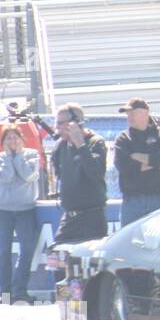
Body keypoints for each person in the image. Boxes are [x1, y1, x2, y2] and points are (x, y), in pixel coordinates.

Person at [0, 124, 40, 304]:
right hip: (2, 210)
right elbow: (7, 177)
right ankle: (4, 293)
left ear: (21, 138)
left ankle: (20, 290)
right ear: (3, 142)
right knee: (4, 252)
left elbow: (28, 175)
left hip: (25, 210)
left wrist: (18, 155)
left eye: (15, 137)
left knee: (26, 250)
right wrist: (9, 159)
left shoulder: (32, 154)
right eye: (8, 138)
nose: (12, 141)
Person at [51, 102, 109, 244]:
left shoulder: (95, 142)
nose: (57, 128)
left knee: (90, 263)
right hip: (70, 218)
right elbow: (58, 173)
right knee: (57, 256)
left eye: (60, 123)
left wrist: (80, 145)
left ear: (75, 123)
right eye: (56, 123)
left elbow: (96, 173)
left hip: (92, 217)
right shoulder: (61, 145)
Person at [113, 98, 160, 225]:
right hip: (131, 201)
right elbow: (123, 166)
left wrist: (136, 156)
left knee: (159, 241)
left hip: (158, 198)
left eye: (132, 113)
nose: (129, 117)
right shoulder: (122, 138)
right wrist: (151, 162)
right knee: (127, 242)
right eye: (128, 114)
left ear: (145, 113)